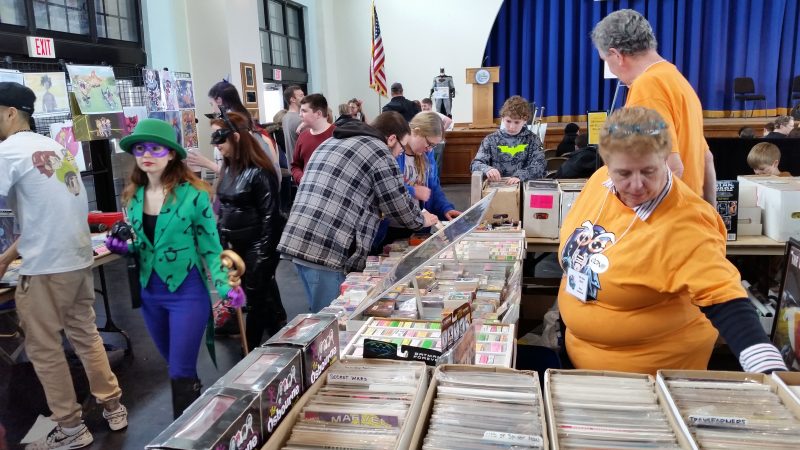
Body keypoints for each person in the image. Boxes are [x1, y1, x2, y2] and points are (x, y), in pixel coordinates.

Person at [558, 106, 787, 375]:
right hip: (583, 362)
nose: (636, 185)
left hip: (649, 378)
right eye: (623, 174)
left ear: (666, 159)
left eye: (648, 171)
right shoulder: (599, 182)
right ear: (606, 165)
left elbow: (725, 298)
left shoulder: (687, 222)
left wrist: (771, 373)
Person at [0, 82, 127, 449]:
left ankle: (71, 428)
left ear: (10, 113)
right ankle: (113, 407)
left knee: (44, 349)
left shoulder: (10, 151)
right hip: (76, 261)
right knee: (86, 336)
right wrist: (8, 256)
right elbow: (47, 215)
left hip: (46, 270)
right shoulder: (54, 147)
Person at [105, 119, 245, 418]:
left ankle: (183, 435)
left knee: (180, 369)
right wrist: (124, 248)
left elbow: (211, 248)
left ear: (170, 154)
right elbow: (141, 245)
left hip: (186, 293)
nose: (147, 154)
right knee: (176, 367)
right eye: (141, 148)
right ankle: (199, 419)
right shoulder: (133, 197)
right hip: (150, 295)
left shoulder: (194, 196)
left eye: (156, 148)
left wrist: (224, 286)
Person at [278, 111, 439, 312]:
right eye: (400, 146)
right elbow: (397, 204)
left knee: (320, 315)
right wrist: (421, 219)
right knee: (333, 322)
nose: (400, 153)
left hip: (301, 240)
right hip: (328, 249)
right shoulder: (379, 150)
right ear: (390, 139)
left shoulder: (332, 142)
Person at [593, 9, 717, 206]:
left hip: (667, 222)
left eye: (606, 61)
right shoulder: (676, 78)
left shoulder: (646, 87)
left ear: (616, 55)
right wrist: (711, 217)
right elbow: (706, 158)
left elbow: (672, 167)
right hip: (691, 215)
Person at [211, 112, 286, 350]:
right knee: (262, 301)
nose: (217, 145)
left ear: (235, 137)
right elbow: (224, 210)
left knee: (255, 302)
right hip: (236, 249)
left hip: (257, 248)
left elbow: (270, 218)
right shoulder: (229, 170)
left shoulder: (259, 172)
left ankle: (251, 352)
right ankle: (279, 340)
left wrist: (263, 257)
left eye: (221, 139)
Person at [376, 112, 462, 246]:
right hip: (392, 227)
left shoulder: (427, 154)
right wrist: (412, 190)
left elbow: (433, 188)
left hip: (419, 225)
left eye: (433, 146)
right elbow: (385, 186)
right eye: (429, 144)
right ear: (416, 132)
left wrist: (445, 208)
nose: (429, 149)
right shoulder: (394, 150)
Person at [469, 95, 545, 184]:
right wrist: (488, 169)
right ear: (502, 118)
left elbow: (540, 165)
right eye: (508, 121)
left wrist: (521, 176)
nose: (512, 127)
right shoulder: (490, 140)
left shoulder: (533, 140)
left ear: (525, 120)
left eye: (517, 122)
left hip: (522, 185)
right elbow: (475, 164)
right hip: (497, 185)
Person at [291, 94, 335, 186]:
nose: (300, 115)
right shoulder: (303, 136)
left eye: (304, 111)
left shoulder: (337, 135)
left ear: (318, 114)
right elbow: (295, 166)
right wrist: (301, 178)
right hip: (307, 191)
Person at [281, 85, 305, 164]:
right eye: (301, 96)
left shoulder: (285, 117)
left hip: (293, 166)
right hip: (301, 166)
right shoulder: (300, 119)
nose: (304, 98)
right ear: (292, 99)